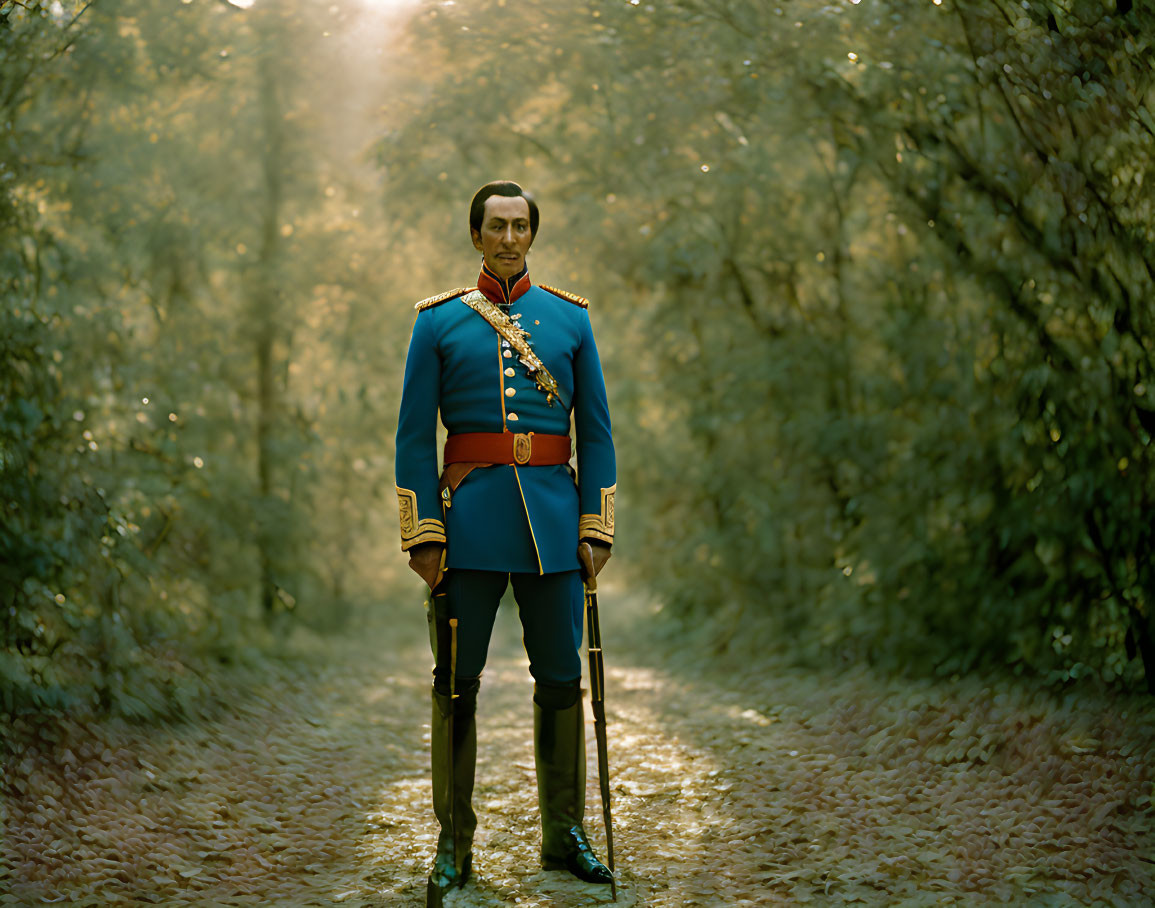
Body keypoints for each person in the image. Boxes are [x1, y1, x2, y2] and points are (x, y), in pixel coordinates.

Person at [394, 180, 616, 904]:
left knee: (559, 683)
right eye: (496, 226)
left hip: (554, 528)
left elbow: (598, 434)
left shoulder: (570, 320)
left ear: (533, 233)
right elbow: (410, 438)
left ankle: (563, 835)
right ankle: (453, 844)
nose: (509, 238)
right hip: (470, 529)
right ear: (475, 235)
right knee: (455, 687)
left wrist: (595, 524)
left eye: (520, 226)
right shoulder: (436, 323)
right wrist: (422, 531)